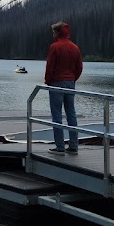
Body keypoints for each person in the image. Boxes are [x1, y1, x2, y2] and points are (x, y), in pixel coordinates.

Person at [45, 21, 83, 153]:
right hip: (70, 83)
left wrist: (48, 81)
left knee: (56, 115)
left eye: (54, 32)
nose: (53, 35)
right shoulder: (75, 47)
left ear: (58, 32)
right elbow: (79, 68)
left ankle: (60, 146)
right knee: (71, 114)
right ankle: (73, 146)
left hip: (56, 83)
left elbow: (50, 67)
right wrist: (72, 79)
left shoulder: (54, 47)